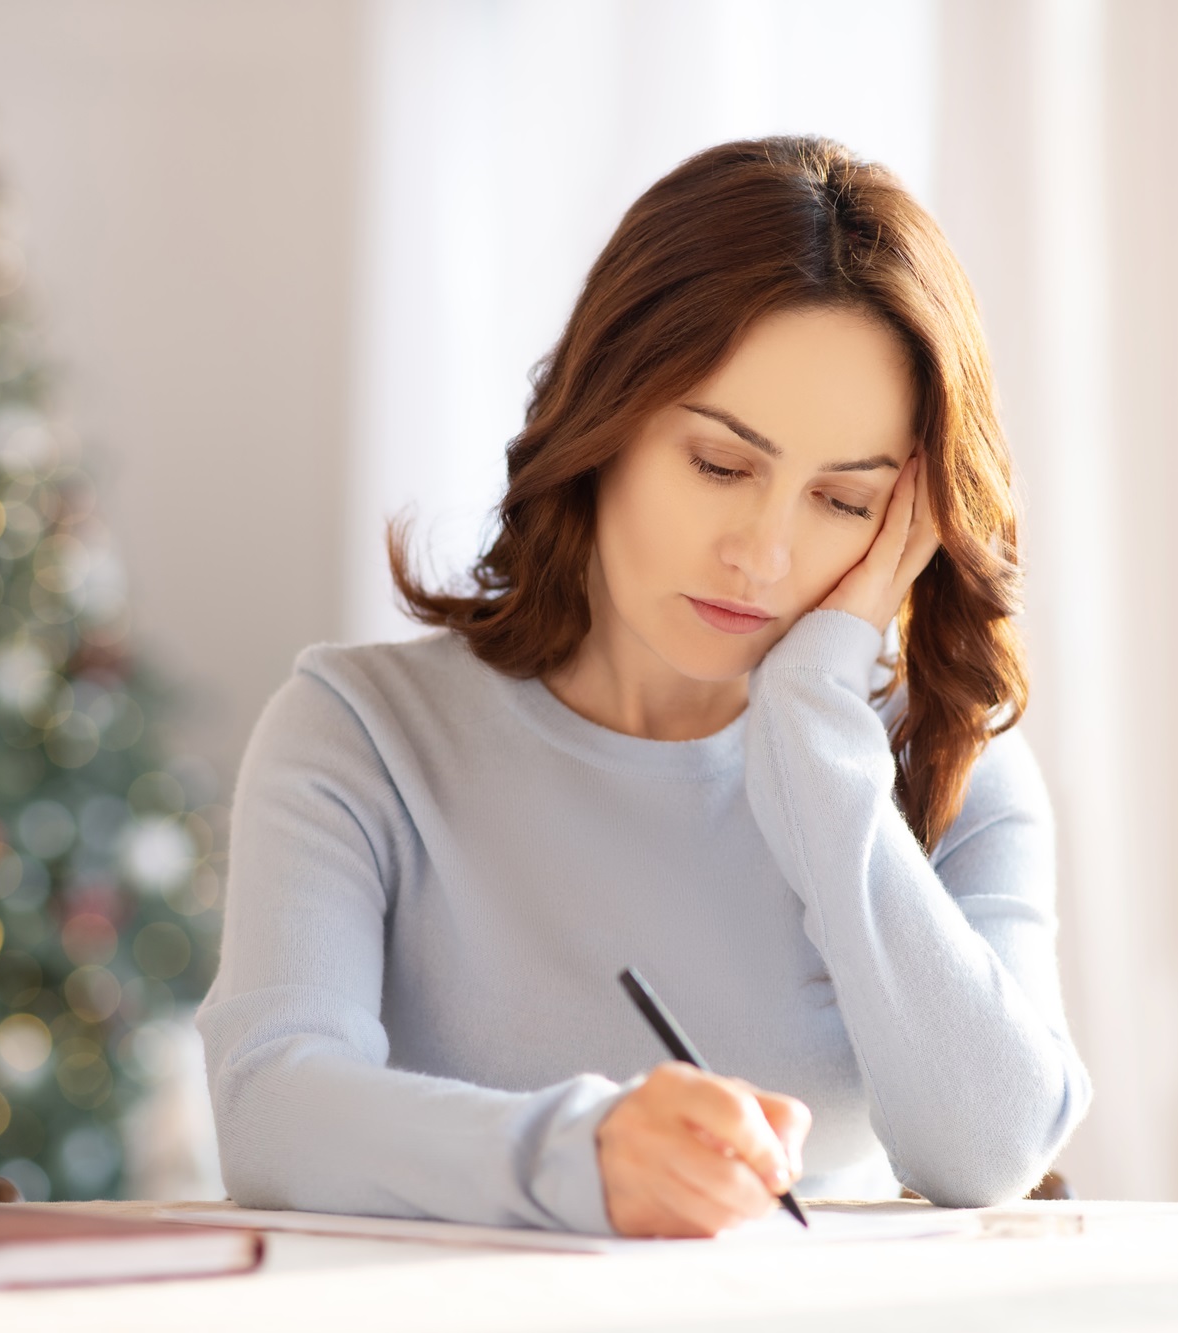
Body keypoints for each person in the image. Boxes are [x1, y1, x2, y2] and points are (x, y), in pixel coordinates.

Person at [197, 136, 1091, 1238]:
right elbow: (271, 1109)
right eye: (718, 466)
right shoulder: (360, 735)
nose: (761, 555)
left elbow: (992, 1149)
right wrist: (577, 1158)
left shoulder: (950, 767)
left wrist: (814, 728)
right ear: (603, 421)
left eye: (842, 502)